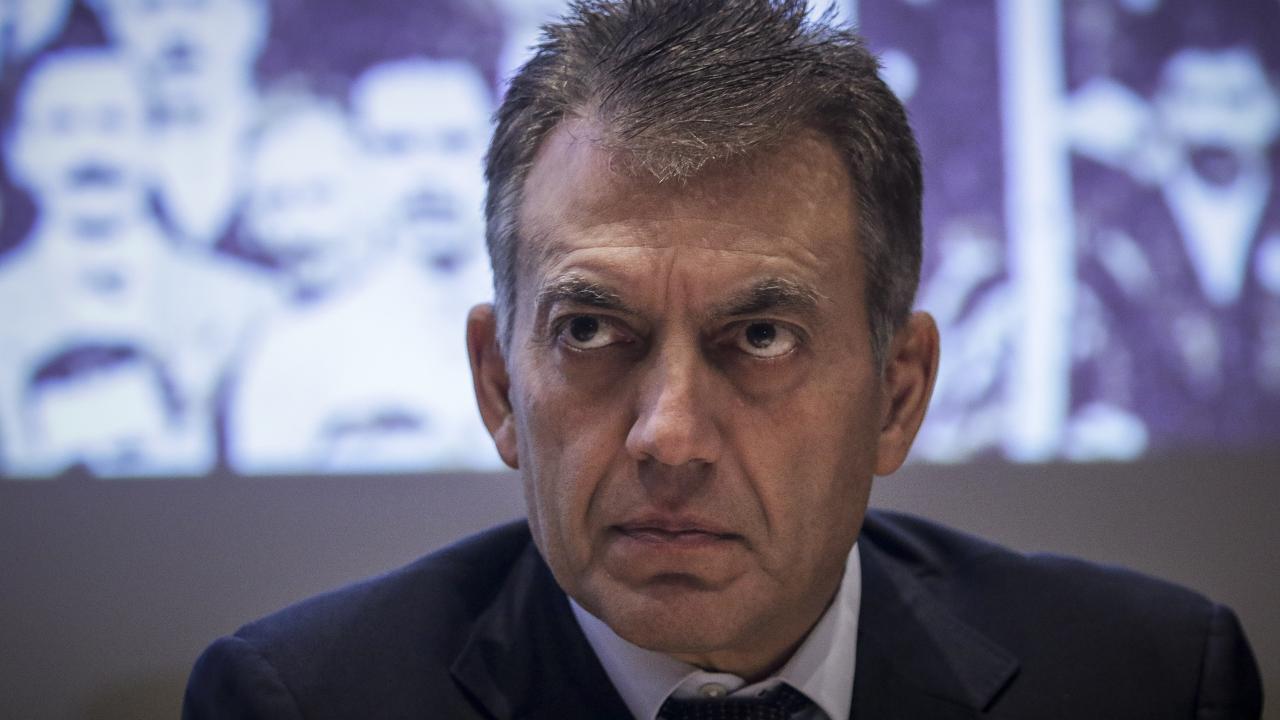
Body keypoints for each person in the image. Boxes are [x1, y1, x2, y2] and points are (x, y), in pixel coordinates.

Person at [184, 2, 1263, 718]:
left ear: (898, 396)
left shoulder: (1148, 683)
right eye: (589, 331)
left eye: (760, 337)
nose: (669, 438)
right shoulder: (297, 704)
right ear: (498, 384)